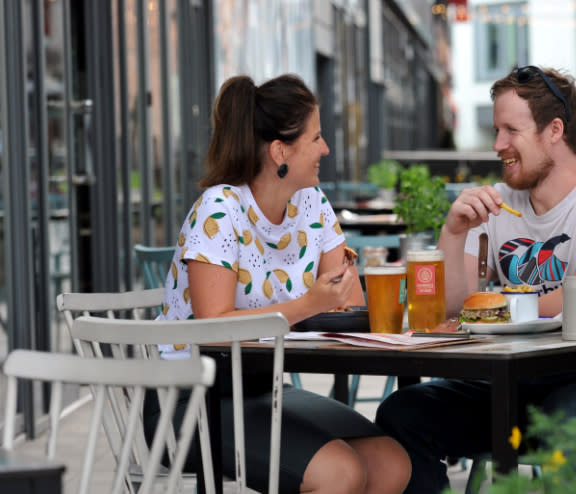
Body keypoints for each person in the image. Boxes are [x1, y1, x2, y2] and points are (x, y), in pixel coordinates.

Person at [374, 66, 576, 493]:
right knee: (404, 412)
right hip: (521, 383)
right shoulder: (498, 202)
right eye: (496, 130)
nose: (498, 146)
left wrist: (494, 305)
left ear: (554, 130)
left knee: (571, 416)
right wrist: (453, 233)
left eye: (511, 130)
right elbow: (454, 307)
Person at [148, 74, 410, 494]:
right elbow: (212, 326)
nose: (325, 149)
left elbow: (348, 303)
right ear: (279, 151)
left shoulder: (313, 202)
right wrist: (308, 303)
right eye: (317, 137)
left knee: (390, 463)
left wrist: (337, 296)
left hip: (262, 387)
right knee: (341, 473)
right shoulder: (220, 210)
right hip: (192, 397)